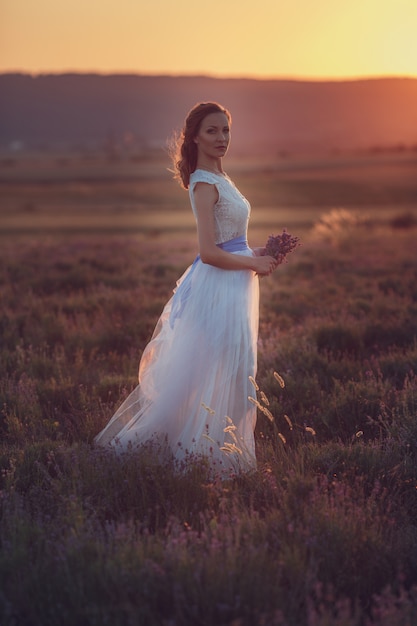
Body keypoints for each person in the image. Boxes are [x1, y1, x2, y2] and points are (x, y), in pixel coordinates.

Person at [94, 102, 277, 473]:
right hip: (218, 288)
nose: (222, 138)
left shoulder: (223, 178)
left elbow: (230, 242)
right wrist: (253, 263)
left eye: (225, 130)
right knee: (214, 372)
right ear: (194, 137)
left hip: (236, 284)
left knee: (236, 369)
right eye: (212, 131)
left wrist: (259, 252)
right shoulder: (203, 184)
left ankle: (218, 452)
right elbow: (209, 253)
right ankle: (194, 460)